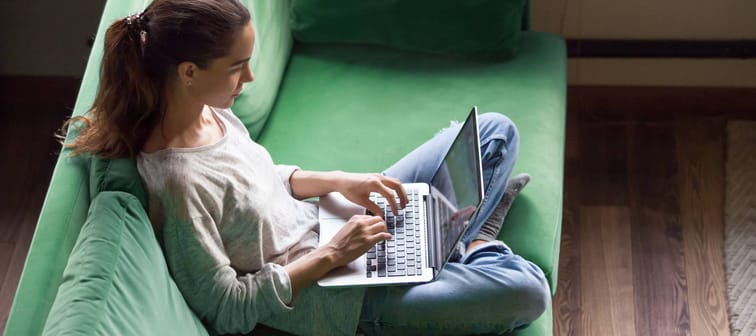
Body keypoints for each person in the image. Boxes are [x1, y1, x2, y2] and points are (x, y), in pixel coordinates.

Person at [61, 0, 549, 334]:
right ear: (188, 73)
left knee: (497, 132)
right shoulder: (177, 185)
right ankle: (474, 240)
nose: (249, 78)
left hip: (339, 224)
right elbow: (226, 306)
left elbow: (262, 179)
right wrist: (335, 254)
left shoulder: (210, 111)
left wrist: (344, 182)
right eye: (237, 66)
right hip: (338, 297)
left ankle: (448, 238)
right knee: (527, 291)